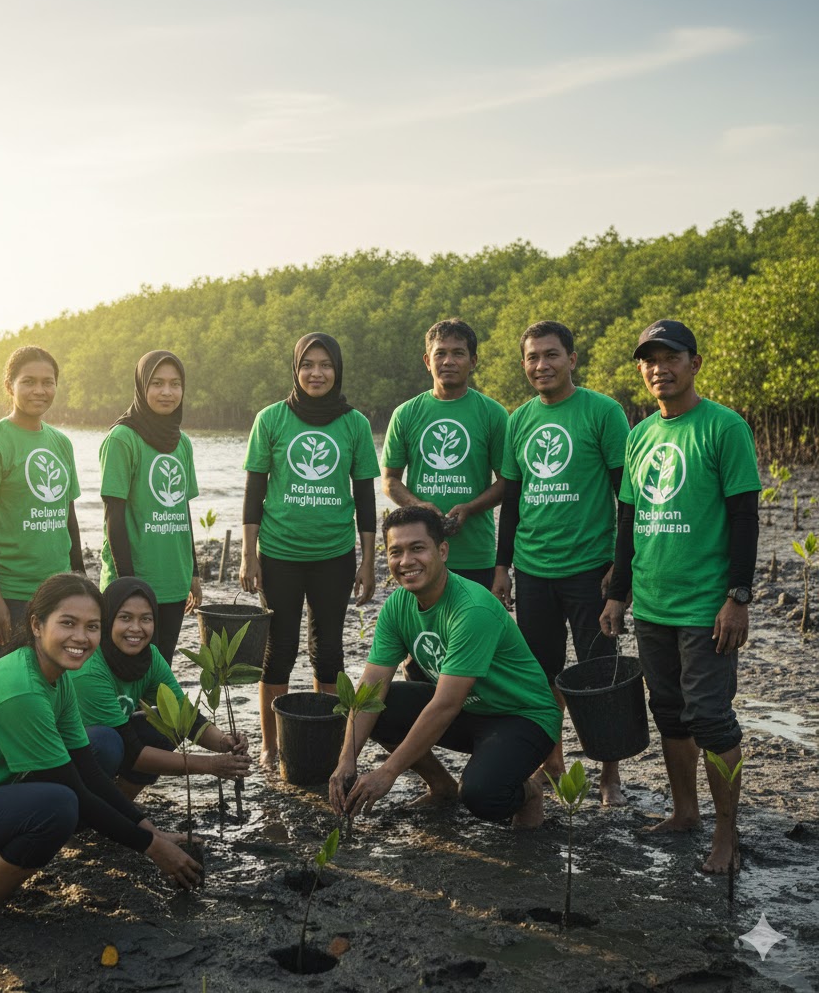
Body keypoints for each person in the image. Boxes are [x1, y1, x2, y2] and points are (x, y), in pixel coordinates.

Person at [0, 574, 202, 925]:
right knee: (58, 805)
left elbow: (91, 774)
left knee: (100, 747)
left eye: (92, 626)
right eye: (68, 623)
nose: (81, 637)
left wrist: (152, 832)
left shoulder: (54, 676)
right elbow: (77, 793)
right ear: (36, 624)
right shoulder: (23, 690)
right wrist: (154, 848)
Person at [599, 319, 760, 874]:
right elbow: (628, 519)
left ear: (694, 363)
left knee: (711, 718)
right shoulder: (640, 434)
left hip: (706, 606)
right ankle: (685, 812)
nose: (658, 369)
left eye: (670, 358)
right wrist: (618, 594)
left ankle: (726, 833)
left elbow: (744, 517)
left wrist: (738, 596)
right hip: (652, 603)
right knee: (669, 714)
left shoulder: (724, 427)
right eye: (648, 360)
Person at [329, 507, 562, 828]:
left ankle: (529, 792)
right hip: (470, 712)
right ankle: (441, 786)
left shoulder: (471, 609)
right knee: (380, 705)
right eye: (396, 552)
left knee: (483, 794)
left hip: (523, 717)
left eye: (417, 548)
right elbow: (370, 686)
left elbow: (445, 704)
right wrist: (346, 760)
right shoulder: (397, 607)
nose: (406, 561)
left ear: (442, 551)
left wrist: (387, 772)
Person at [492, 321, 630, 806]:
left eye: (551, 355)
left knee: (599, 674)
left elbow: (626, 495)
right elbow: (512, 499)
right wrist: (502, 567)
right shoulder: (519, 419)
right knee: (539, 675)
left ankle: (610, 774)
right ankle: (551, 762)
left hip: (589, 569)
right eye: (532, 357)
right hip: (533, 570)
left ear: (572, 358)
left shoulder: (604, 412)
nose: (541, 365)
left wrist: (622, 569)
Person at [240, 332, 379, 766]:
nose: (316, 373)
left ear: (337, 370)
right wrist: (248, 553)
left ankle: (329, 743)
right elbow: (253, 491)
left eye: (325, 365)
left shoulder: (354, 423)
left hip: (334, 555)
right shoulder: (271, 419)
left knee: (330, 650)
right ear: (295, 369)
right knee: (278, 649)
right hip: (279, 553)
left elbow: (366, 498)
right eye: (307, 365)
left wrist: (368, 560)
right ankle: (270, 745)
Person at [74, 577, 251, 797]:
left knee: (168, 722)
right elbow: (134, 754)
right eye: (125, 618)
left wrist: (224, 742)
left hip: (116, 743)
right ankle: (85, 810)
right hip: (65, 758)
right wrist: (209, 765)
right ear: (107, 619)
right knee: (106, 743)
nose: (136, 628)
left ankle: (121, 803)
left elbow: (185, 715)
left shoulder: (151, 658)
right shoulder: (90, 669)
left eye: (145, 619)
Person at [0, 346, 84, 671]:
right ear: (9, 386)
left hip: (56, 589)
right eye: (28, 381)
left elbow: (67, 517)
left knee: (53, 681)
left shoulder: (61, 443)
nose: (39, 390)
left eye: (48, 382)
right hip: (8, 592)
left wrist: (80, 579)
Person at [381, 318, 507, 590]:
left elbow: (507, 482)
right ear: (428, 360)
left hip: (476, 554)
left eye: (458, 353)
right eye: (441, 353)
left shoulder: (493, 413)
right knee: (425, 631)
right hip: (418, 555)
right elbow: (389, 481)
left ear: (473, 361)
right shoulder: (406, 413)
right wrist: (419, 507)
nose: (448, 361)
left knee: (473, 629)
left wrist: (470, 508)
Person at [99, 351, 202, 665]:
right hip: (133, 580)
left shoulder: (182, 443)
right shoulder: (122, 438)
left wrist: (194, 573)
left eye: (175, 384)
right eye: (157, 383)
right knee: (125, 670)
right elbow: (113, 518)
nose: (167, 392)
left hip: (174, 579)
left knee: (160, 667)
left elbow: (182, 511)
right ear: (142, 387)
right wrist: (128, 585)